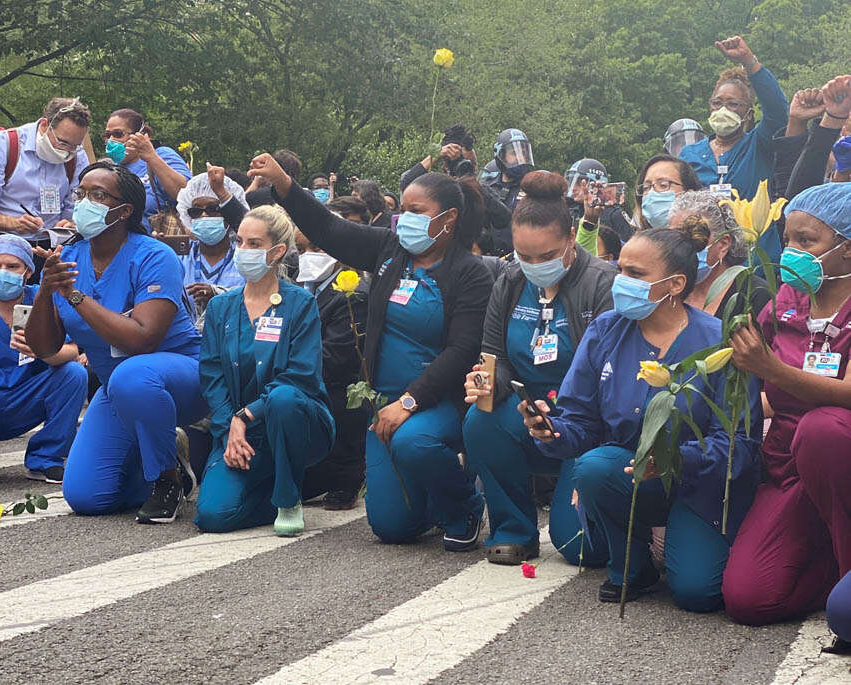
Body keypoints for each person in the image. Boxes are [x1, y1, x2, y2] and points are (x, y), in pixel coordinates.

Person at [248, 152, 492, 550]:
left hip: (438, 402)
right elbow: (328, 228)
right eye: (404, 208)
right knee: (392, 528)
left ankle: (465, 503)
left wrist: (410, 401)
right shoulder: (390, 250)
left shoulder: (470, 273)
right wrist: (285, 188)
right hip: (382, 404)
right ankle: (431, 499)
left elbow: (462, 350)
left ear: (447, 219)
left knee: (414, 443)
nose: (405, 219)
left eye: (416, 210)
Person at [523, 228, 761, 611]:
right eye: (619, 270)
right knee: (595, 467)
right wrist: (551, 431)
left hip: (699, 484)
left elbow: (740, 444)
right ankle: (632, 566)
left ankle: (681, 537)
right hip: (629, 474)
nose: (620, 283)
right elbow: (580, 422)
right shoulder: (606, 330)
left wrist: (675, 460)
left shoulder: (719, 343)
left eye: (635, 274)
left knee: (697, 593)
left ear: (676, 283)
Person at [25, 161, 207, 524]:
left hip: (180, 376)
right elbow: (45, 348)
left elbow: (143, 339)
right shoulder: (69, 259)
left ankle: (166, 481)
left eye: (97, 195)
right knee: (86, 496)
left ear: (123, 211)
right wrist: (47, 291)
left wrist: (75, 296)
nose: (83, 203)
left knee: (133, 375)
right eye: (81, 193)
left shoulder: (154, 256)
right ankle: (172, 458)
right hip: (118, 386)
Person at [461, 171, 615, 565]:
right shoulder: (510, 281)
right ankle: (512, 529)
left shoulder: (601, 283)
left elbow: (610, 371)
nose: (533, 266)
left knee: (579, 547)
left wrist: (567, 415)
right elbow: (493, 353)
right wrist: (485, 384)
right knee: (479, 421)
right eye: (523, 256)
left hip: (585, 418)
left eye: (546, 256)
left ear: (570, 240)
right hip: (526, 408)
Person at [722, 182, 851, 625]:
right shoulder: (785, 301)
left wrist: (772, 371)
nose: (791, 250)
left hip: (840, 454)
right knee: (748, 599)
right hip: (787, 464)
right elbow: (752, 383)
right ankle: (834, 566)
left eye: (807, 241)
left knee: (822, 429)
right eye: (788, 238)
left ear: (847, 249)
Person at [194, 206, 335, 535]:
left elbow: (301, 375)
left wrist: (245, 416)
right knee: (213, 517)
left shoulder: (300, 304)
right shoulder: (220, 307)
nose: (242, 251)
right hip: (237, 432)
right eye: (239, 241)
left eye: (254, 244)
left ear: (277, 251)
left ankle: (288, 498)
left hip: (293, 421)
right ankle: (274, 487)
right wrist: (230, 425)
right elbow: (212, 375)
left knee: (285, 398)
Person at [0, 235, 85, 484]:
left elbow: (73, 350)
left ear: (27, 272)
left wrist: (45, 351)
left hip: (27, 396)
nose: (3, 272)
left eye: (13, 267)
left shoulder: (44, 300)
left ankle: (46, 459)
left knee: (74, 374)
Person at [678, 36, 788, 260]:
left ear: (748, 113)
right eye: (717, 103)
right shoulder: (689, 155)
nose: (723, 109)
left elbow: (777, 111)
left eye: (733, 104)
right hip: (704, 260)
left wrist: (749, 62)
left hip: (755, 261)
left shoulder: (758, 145)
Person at [0, 97, 91, 279]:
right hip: (4, 246)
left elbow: (77, 205)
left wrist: (72, 222)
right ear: (44, 125)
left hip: (51, 248)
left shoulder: (77, 156)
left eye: (74, 146)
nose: (67, 151)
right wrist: (14, 224)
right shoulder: (2, 145)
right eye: (63, 142)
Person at [294, 230, 369, 510]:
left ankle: (347, 475)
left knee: (342, 393)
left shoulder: (353, 295)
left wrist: (288, 367)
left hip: (334, 386)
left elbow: (336, 357)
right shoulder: (298, 286)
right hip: (302, 375)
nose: (308, 256)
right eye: (302, 248)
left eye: (317, 247)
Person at [401, 124, 513, 256]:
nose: (470, 170)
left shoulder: (482, 190)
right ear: (446, 167)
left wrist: (471, 184)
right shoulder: (436, 190)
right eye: (464, 164)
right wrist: (437, 154)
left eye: (472, 165)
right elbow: (406, 183)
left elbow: (503, 217)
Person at [667, 190, 770, 319]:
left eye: (694, 238)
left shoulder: (755, 295)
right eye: (673, 238)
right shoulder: (668, 290)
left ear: (723, 244)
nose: (680, 247)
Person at [175, 164, 248, 318]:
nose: (204, 216)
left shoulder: (246, 256)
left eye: (213, 209)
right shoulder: (181, 257)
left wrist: (217, 295)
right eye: (196, 211)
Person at [100, 108, 191, 232]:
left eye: (117, 134)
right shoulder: (111, 168)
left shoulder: (161, 155)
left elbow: (188, 195)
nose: (111, 140)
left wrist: (151, 157)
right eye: (107, 135)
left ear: (139, 134)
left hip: (156, 243)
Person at [567, 158, 634, 246]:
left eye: (579, 183)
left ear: (595, 183)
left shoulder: (614, 215)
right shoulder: (572, 211)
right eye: (572, 181)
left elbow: (629, 246)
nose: (574, 188)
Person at [632, 154, 703, 230]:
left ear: (690, 194)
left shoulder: (710, 239)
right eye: (646, 188)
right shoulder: (636, 240)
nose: (651, 193)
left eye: (663, 185)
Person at [479, 128, 535, 209]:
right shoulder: (486, 184)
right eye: (514, 153)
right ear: (501, 156)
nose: (520, 158)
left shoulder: (531, 188)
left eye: (523, 153)